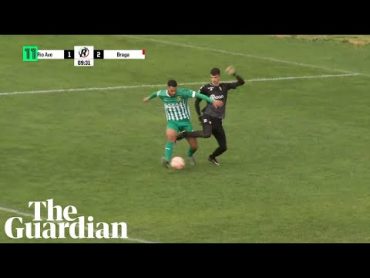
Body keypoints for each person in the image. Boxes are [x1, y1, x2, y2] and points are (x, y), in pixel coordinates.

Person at [143, 79, 223, 168]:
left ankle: (189, 155)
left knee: (194, 146)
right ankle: (167, 159)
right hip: (172, 122)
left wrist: (212, 101)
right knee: (171, 137)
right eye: (171, 91)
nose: (173, 92)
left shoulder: (183, 92)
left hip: (185, 122)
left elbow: (198, 95)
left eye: (175, 90)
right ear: (167, 88)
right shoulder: (162, 94)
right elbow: (155, 94)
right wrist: (148, 98)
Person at [176, 66, 245, 166]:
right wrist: (200, 115)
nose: (214, 79)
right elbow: (197, 102)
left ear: (219, 77)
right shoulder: (205, 88)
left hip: (218, 120)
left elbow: (241, 82)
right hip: (207, 116)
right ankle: (184, 134)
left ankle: (212, 157)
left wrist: (234, 74)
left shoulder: (224, 86)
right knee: (206, 134)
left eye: (216, 77)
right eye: (212, 77)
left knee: (223, 147)